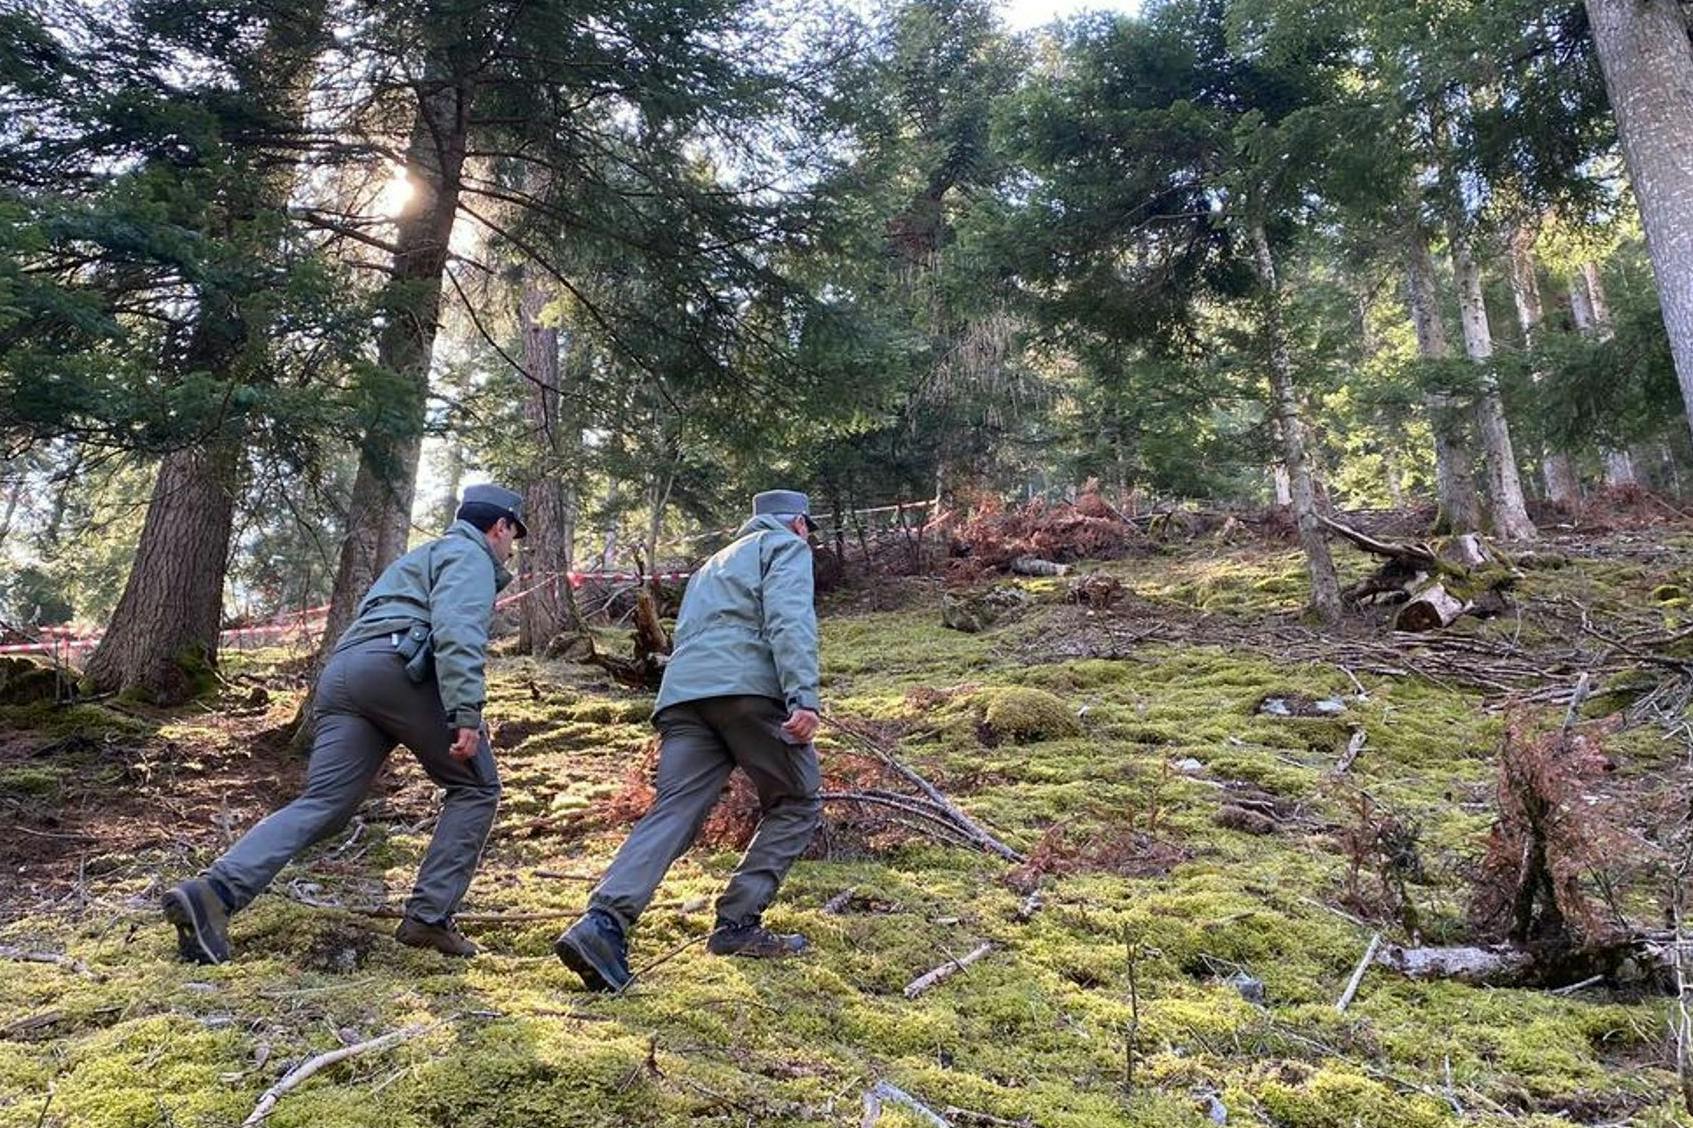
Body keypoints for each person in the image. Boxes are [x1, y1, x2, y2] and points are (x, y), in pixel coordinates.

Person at [162, 484, 526, 964]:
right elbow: (458, 630)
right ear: (498, 526)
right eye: (513, 538)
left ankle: (214, 894)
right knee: (477, 787)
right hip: (401, 669)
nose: (511, 549)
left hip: (344, 675)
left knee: (325, 804)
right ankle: (428, 918)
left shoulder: (420, 558)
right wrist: (465, 713)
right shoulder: (469, 556)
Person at [554, 489, 823, 991]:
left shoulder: (711, 565)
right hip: (748, 692)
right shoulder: (785, 548)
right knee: (798, 799)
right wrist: (803, 696)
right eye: (808, 529)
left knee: (673, 810)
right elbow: (790, 620)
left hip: (684, 698)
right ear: (799, 524)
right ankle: (738, 924)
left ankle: (603, 924)